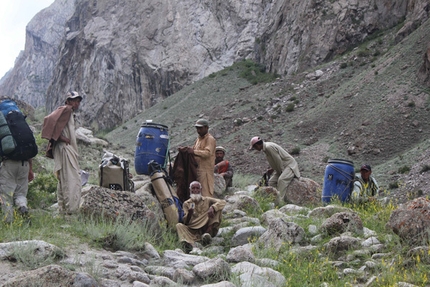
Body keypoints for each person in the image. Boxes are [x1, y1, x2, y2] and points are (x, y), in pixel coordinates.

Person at [41, 91, 82, 215]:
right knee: (71, 178)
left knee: (64, 178)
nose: (76, 103)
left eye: (78, 101)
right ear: (68, 101)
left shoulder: (68, 111)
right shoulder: (67, 109)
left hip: (65, 148)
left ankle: (63, 209)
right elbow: (48, 119)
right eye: (74, 100)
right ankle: (70, 211)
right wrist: (60, 138)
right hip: (65, 148)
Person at [176, 181, 226, 253]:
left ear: (200, 189)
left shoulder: (207, 200)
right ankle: (192, 245)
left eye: (197, 188)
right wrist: (189, 214)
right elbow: (185, 222)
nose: (195, 190)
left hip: (205, 227)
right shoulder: (186, 203)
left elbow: (222, 202)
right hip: (193, 227)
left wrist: (213, 207)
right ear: (190, 190)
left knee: (217, 208)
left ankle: (207, 234)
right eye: (193, 188)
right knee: (179, 225)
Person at [249, 136, 300, 202]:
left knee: (282, 180)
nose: (255, 149)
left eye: (254, 147)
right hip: (281, 167)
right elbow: (275, 160)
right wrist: (273, 169)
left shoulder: (268, 147)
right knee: (271, 182)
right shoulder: (266, 148)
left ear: (257, 145)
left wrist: (282, 172)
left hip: (289, 166)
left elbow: (278, 160)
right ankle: (273, 199)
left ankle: (280, 201)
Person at [178, 119, 216, 197]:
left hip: (205, 171)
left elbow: (207, 153)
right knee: (196, 193)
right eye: (197, 128)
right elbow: (193, 151)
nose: (198, 130)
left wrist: (193, 152)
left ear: (206, 128)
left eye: (200, 128)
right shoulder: (198, 140)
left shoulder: (210, 139)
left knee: (205, 193)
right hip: (196, 170)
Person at [0, 158, 34, 223]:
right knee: (20, 194)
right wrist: (30, 168)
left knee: (6, 196)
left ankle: (8, 221)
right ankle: (22, 206)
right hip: (24, 164)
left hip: (8, 164)